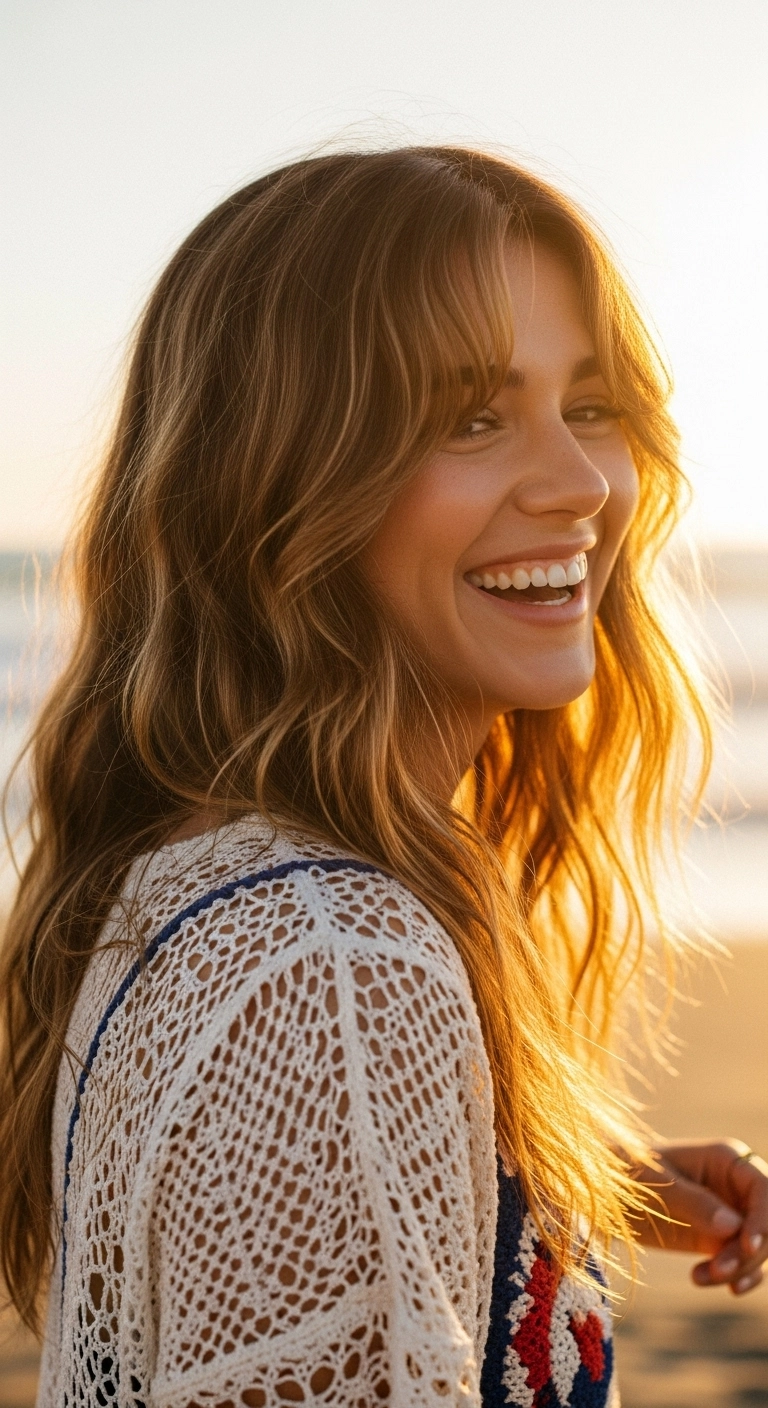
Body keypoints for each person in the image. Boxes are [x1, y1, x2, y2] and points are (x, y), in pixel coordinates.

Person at [0, 147, 765, 1408]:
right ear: (278, 490)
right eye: (469, 416)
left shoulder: (203, 878)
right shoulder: (333, 964)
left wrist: (536, 1182)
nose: (580, 483)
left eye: (588, 404)